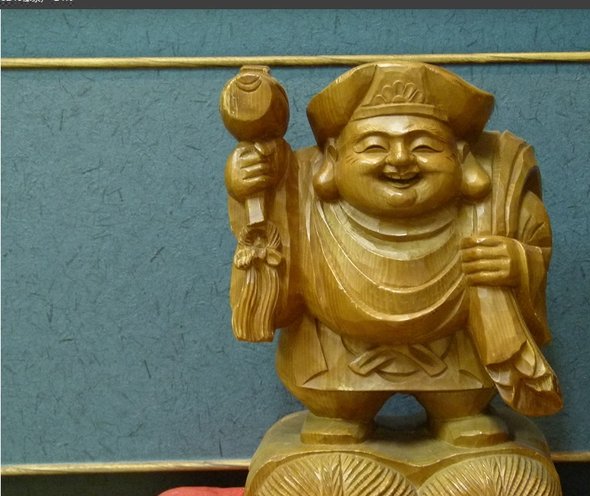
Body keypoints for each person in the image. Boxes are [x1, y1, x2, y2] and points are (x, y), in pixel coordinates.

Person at [226, 61, 561, 446]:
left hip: (457, 363)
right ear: (333, 156)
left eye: (424, 145)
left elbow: (536, 244)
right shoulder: (302, 194)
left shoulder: (498, 201)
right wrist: (251, 189)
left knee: (476, 443)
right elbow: (269, 242)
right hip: (337, 364)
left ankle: (459, 420)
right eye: (374, 146)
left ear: (461, 154)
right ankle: (341, 423)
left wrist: (518, 263)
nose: (400, 159)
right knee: (331, 439)